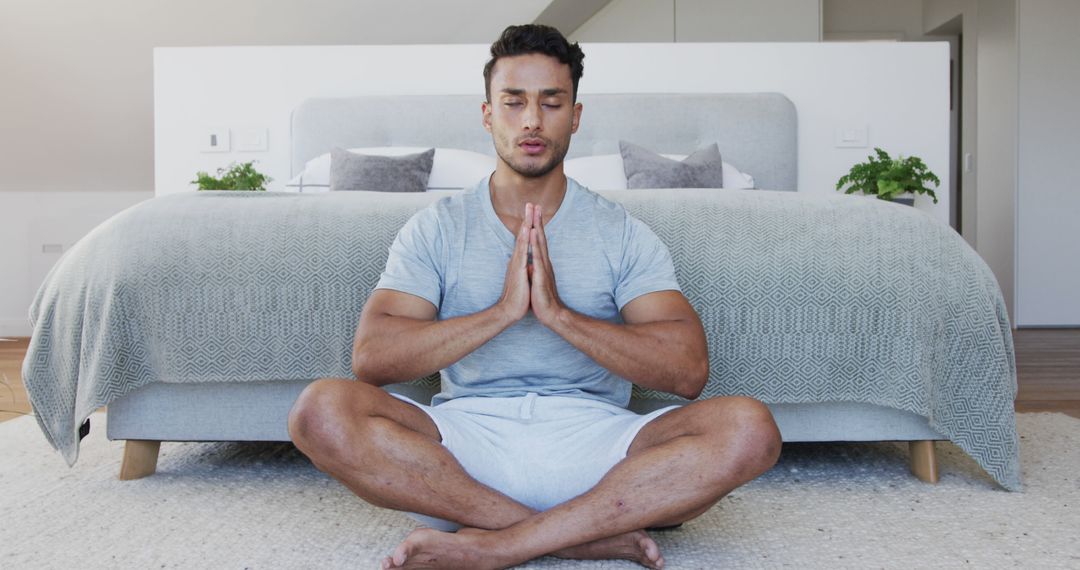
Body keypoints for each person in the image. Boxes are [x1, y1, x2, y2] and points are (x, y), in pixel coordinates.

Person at [287, 24, 781, 570]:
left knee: (750, 428)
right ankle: (580, 535)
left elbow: (688, 371)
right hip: (463, 445)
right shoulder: (436, 228)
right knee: (320, 411)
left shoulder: (620, 231)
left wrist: (558, 315)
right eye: (514, 101)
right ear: (487, 114)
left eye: (551, 103)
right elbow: (373, 359)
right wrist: (501, 313)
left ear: (575, 116)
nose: (531, 120)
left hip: (600, 443)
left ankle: (501, 543)